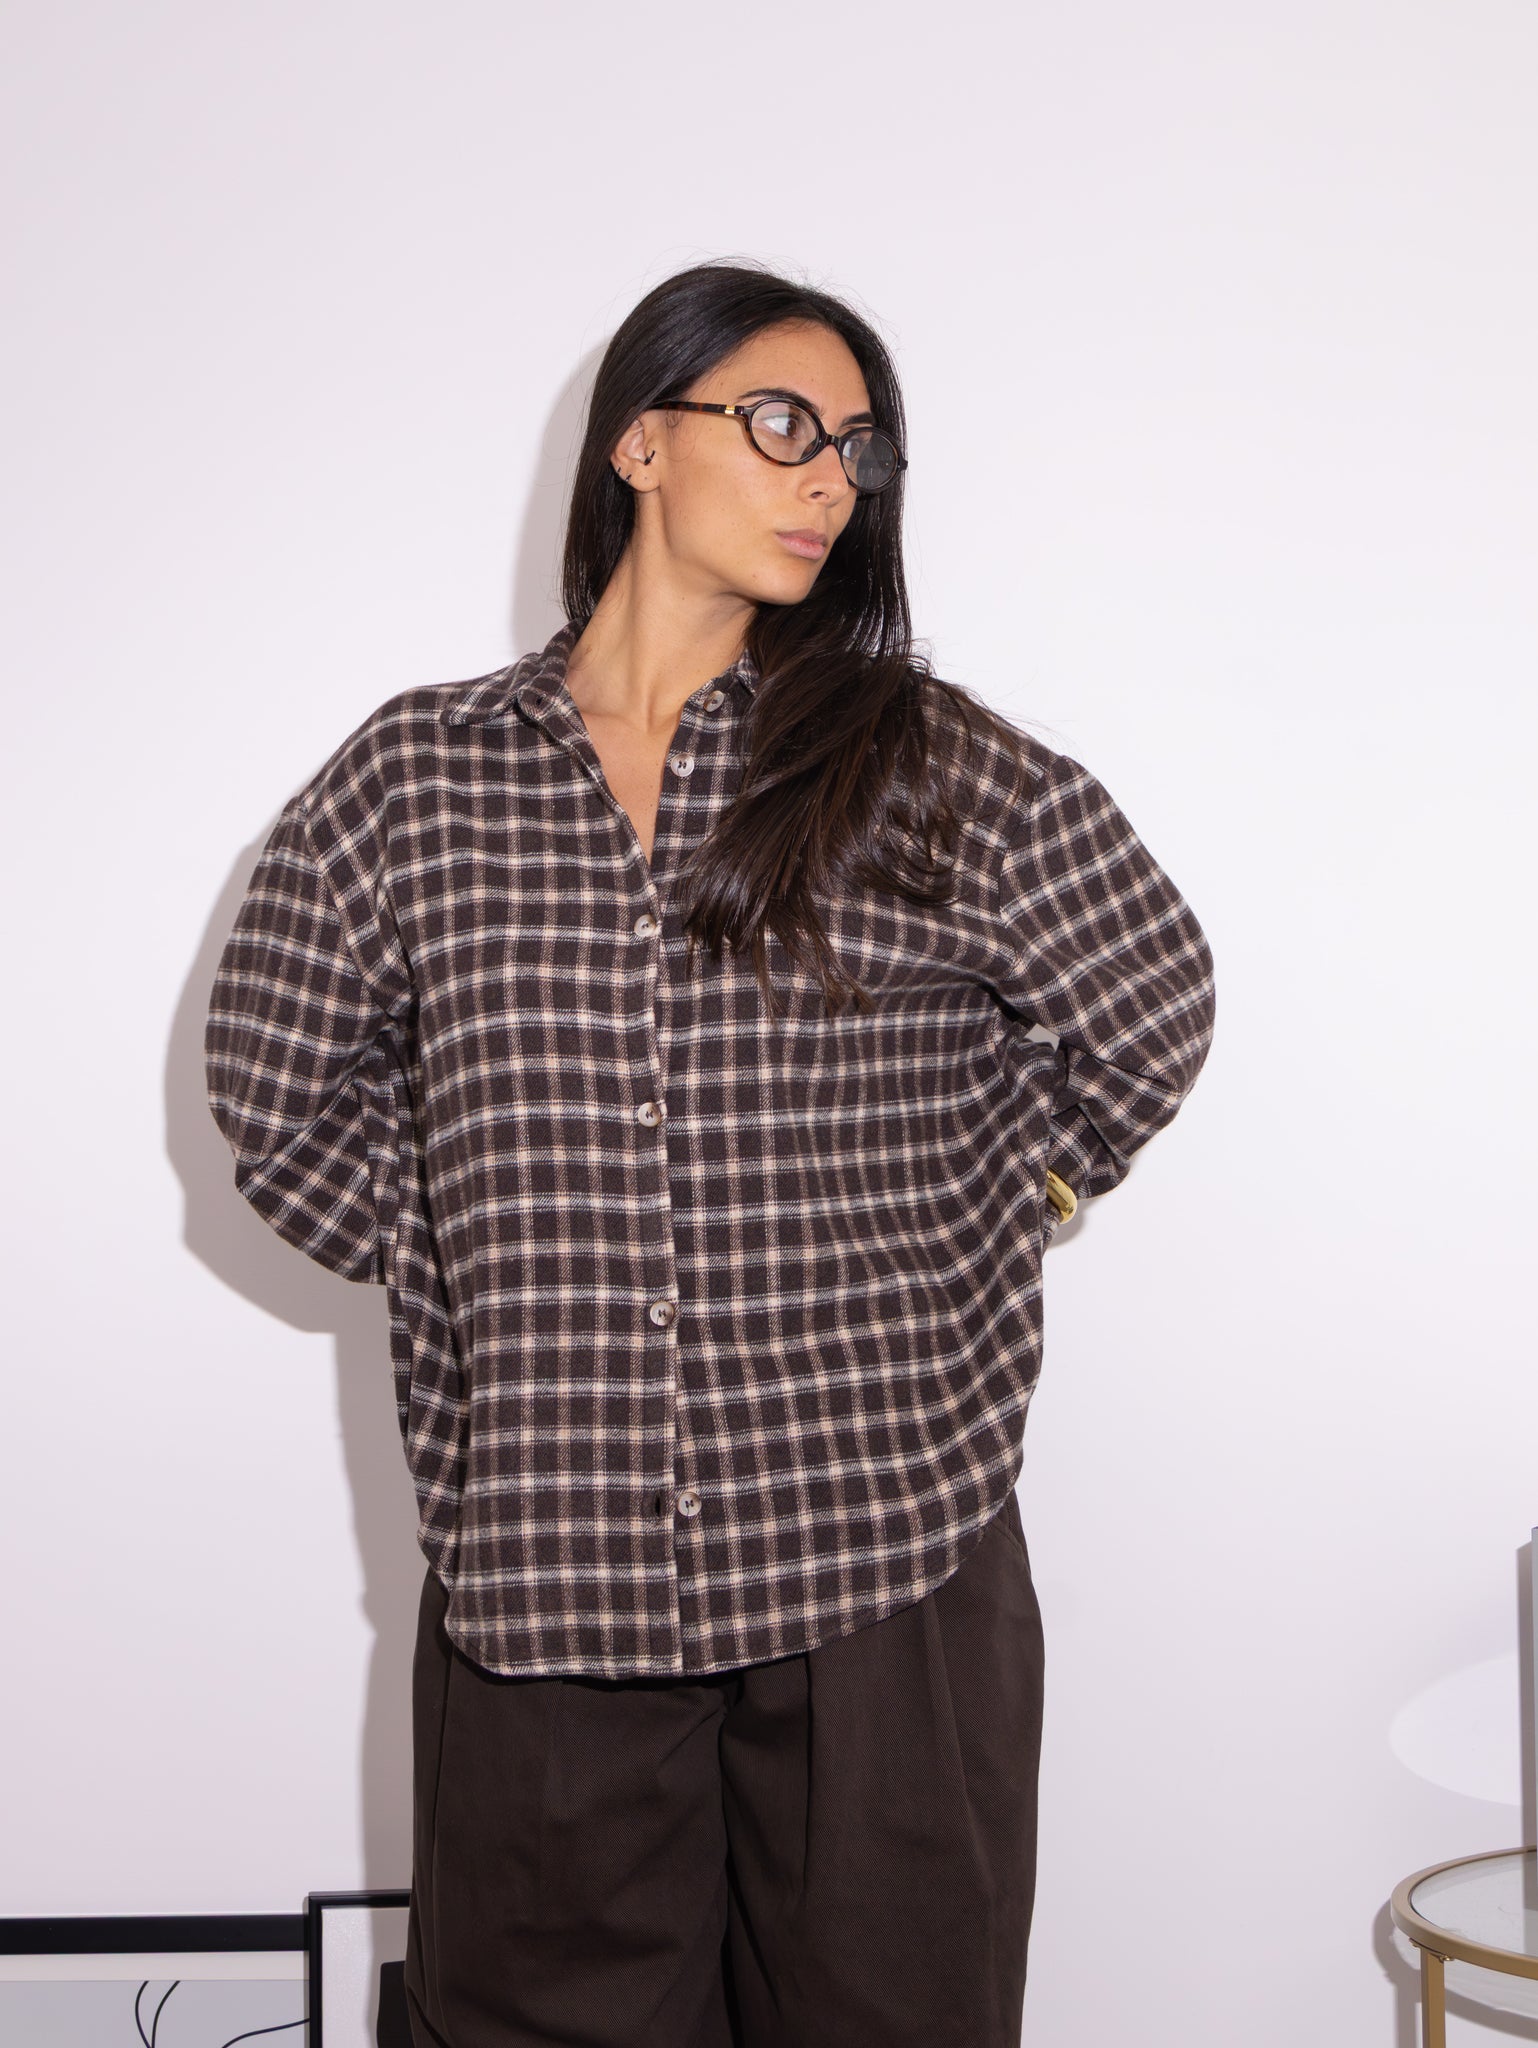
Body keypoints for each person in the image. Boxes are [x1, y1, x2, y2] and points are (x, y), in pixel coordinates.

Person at [205, 259, 1217, 2048]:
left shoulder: (919, 762)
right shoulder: (418, 780)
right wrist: (483, 1258)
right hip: (550, 1569)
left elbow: (1150, 998)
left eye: (857, 448)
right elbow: (274, 1094)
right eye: (780, 425)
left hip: (881, 1560)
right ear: (639, 443)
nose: (829, 479)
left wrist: (1006, 1203)